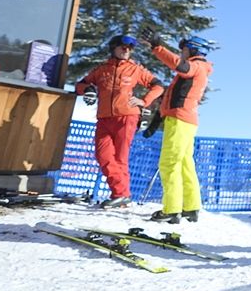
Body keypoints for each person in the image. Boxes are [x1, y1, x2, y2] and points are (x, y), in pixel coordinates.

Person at [75, 34, 163, 208]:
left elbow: (158, 85)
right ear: (113, 47)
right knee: (103, 156)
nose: (127, 50)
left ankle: (120, 195)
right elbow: (80, 85)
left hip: (127, 117)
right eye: (123, 47)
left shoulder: (135, 69)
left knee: (120, 158)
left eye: (130, 49)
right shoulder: (101, 69)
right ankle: (123, 195)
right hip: (104, 119)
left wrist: (144, 101)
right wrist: (88, 90)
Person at [141, 30, 214, 224]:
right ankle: (190, 207)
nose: (181, 53)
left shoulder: (196, 66)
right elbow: (170, 99)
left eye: (183, 49)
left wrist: (158, 47)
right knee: (183, 164)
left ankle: (171, 210)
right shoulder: (198, 68)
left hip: (180, 120)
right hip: (184, 120)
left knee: (169, 164)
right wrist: (156, 122)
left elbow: (180, 65)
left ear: (192, 50)